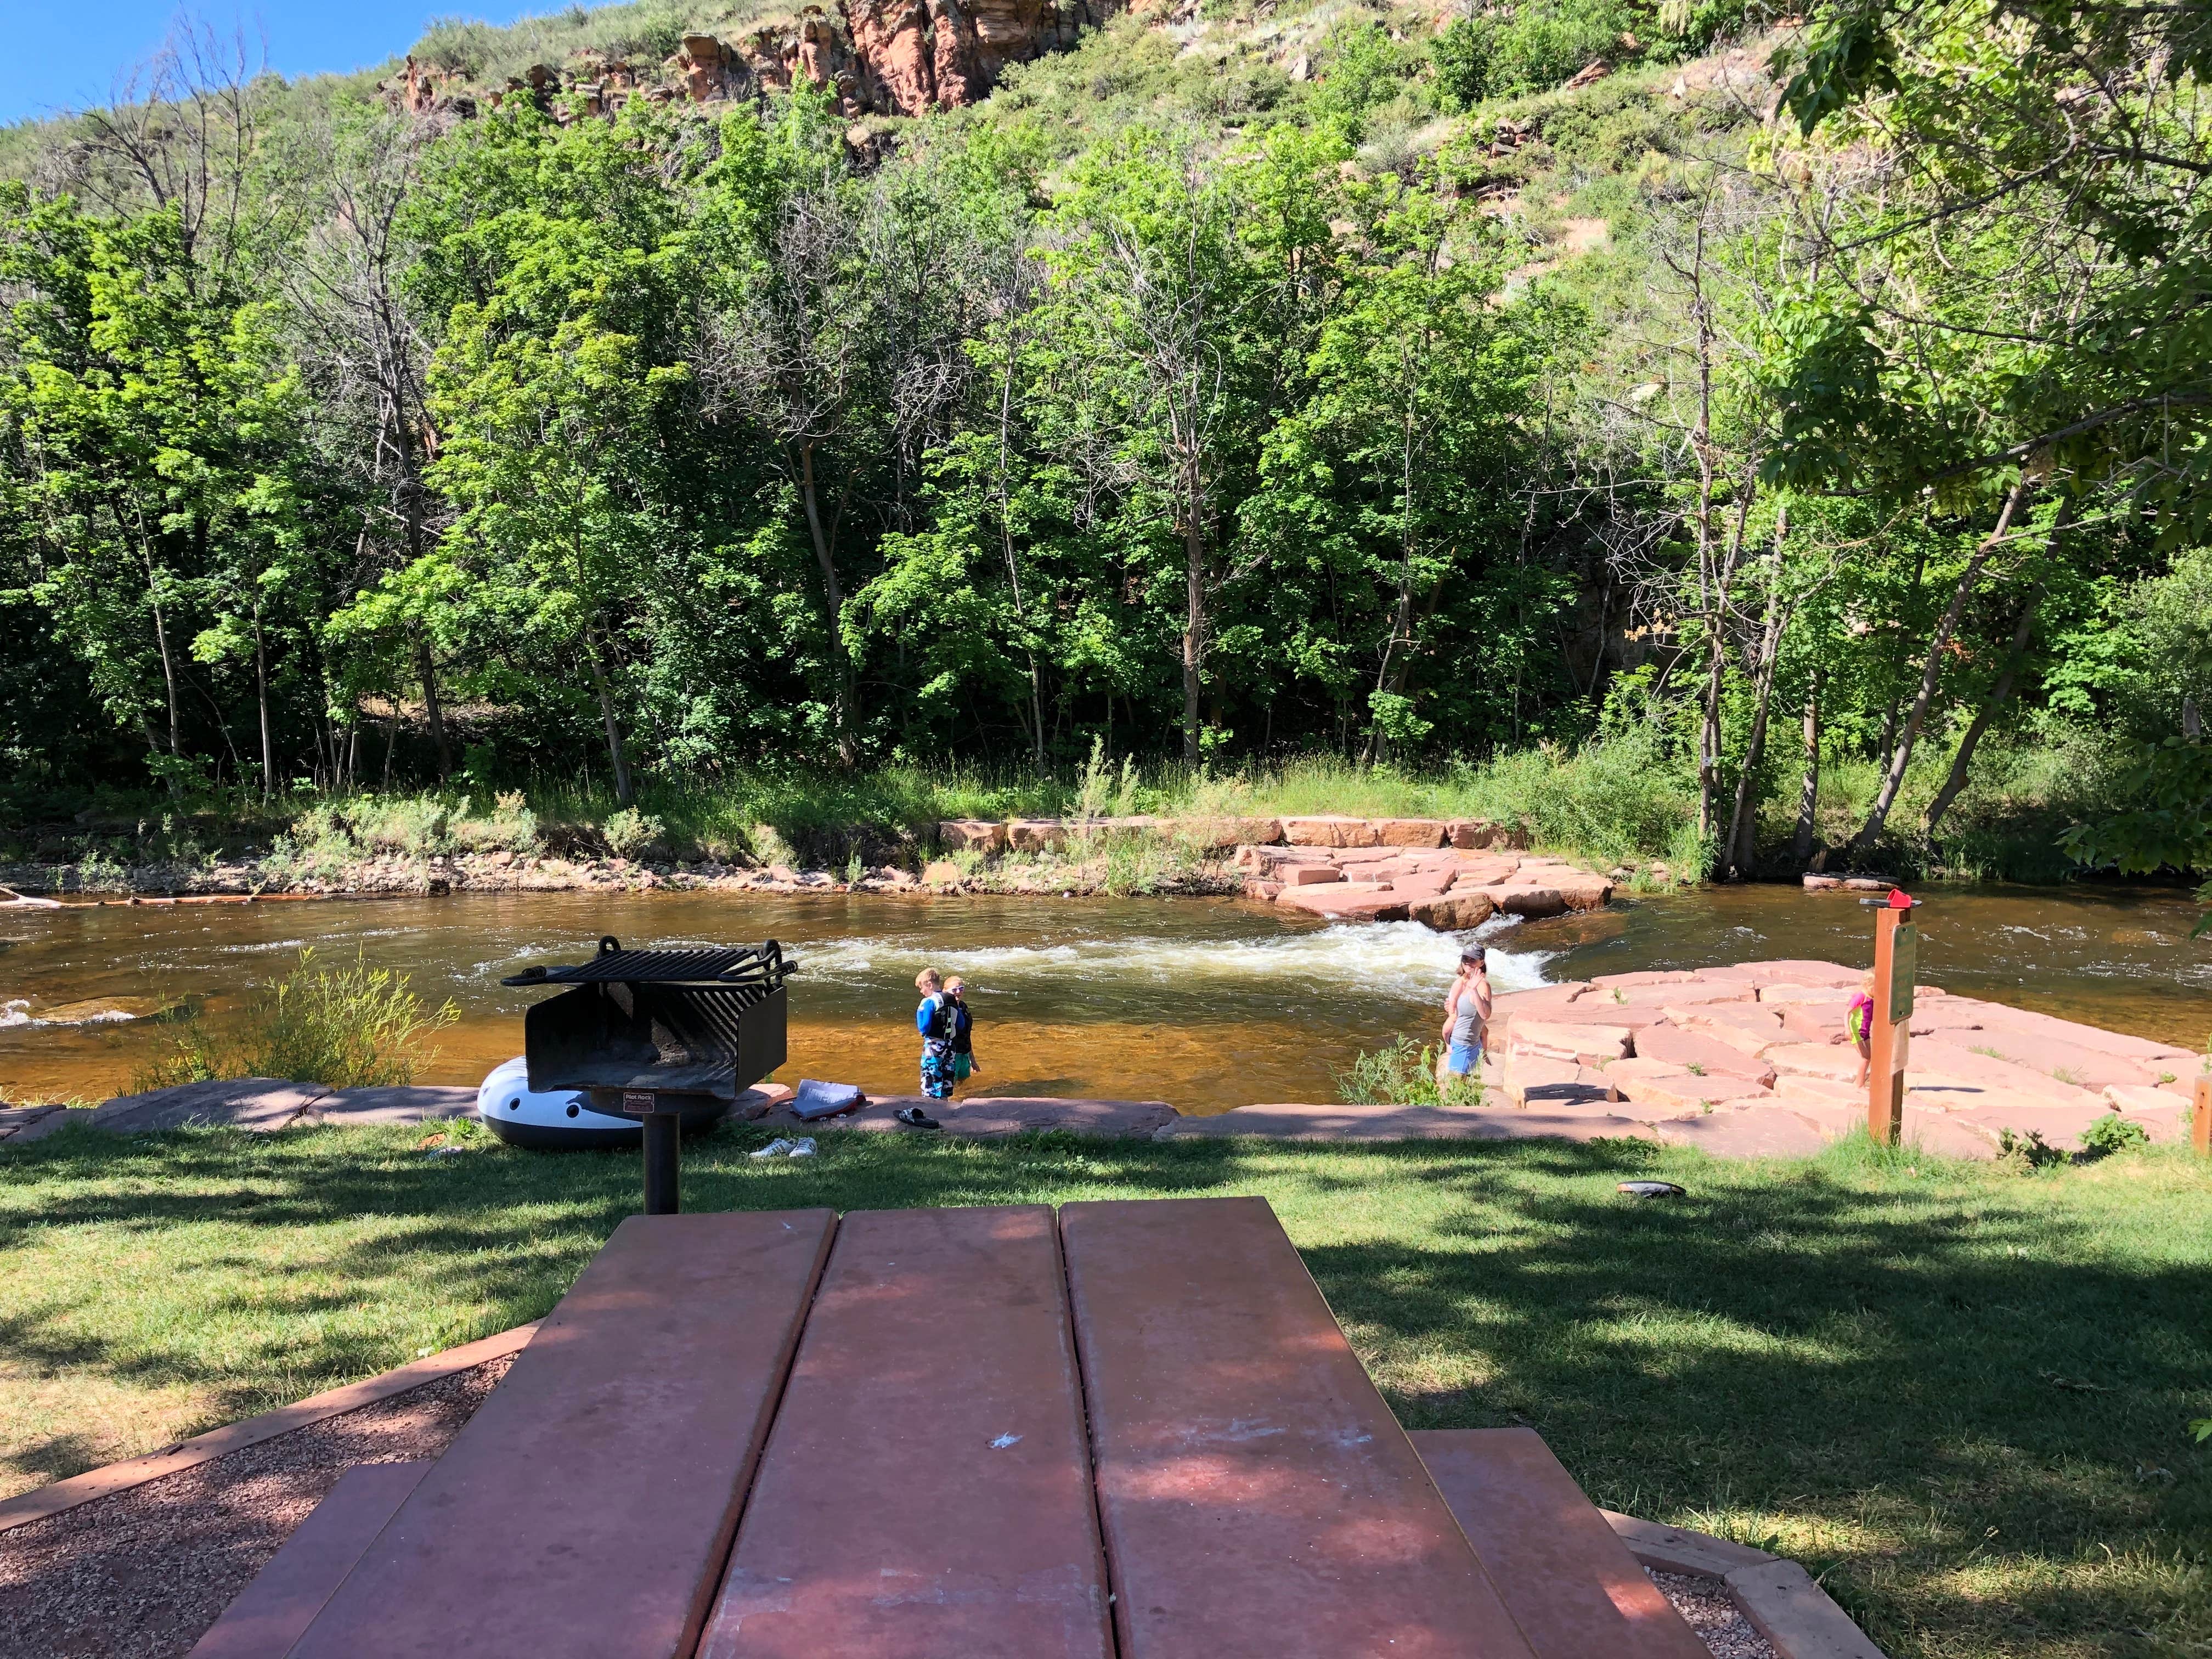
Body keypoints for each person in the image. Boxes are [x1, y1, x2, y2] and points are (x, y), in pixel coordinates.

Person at [1438, 947, 1491, 1094]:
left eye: (1472, 959)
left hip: (1465, 1046)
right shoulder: (1463, 982)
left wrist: (1474, 990)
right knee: (1461, 1089)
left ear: (1481, 962)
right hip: (1461, 1043)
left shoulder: (1482, 986)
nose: (1468, 962)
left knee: (1452, 1093)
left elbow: (1485, 1014)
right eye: (1465, 959)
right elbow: (1458, 1006)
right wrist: (1451, 1009)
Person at [913, 969, 955, 1109]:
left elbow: (924, 1028)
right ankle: (945, 1107)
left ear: (930, 985)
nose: (921, 992)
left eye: (921, 988)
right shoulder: (950, 998)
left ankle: (930, 1110)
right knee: (946, 1076)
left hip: (934, 1047)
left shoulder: (928, 1002)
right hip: (950, 1046)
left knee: (930, 1078)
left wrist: (920, 1011)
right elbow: (960, 1024)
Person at [944, 975, 979, 1085]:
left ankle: (963, 1101)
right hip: (952, 1056)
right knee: (950, 1086)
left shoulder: (964, 1007)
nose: (958, 992)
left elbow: (967, 1035)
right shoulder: (945, 1010)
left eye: (961, 988)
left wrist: (972, 1061)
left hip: (964, 1054)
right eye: (954, 990)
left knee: (964, 1084)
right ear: (945, 991)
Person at [1845, 970, 1876, 1085]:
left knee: (1870, 1057)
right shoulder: (1861, 996)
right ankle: (1859, 1085)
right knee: (1866, 1058)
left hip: (1865, 1031)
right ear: (1869, 986)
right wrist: (1847, 1029)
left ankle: (1858, 1081)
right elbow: (1847, 1012)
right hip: (1856, 1031)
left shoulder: (1872, 997)